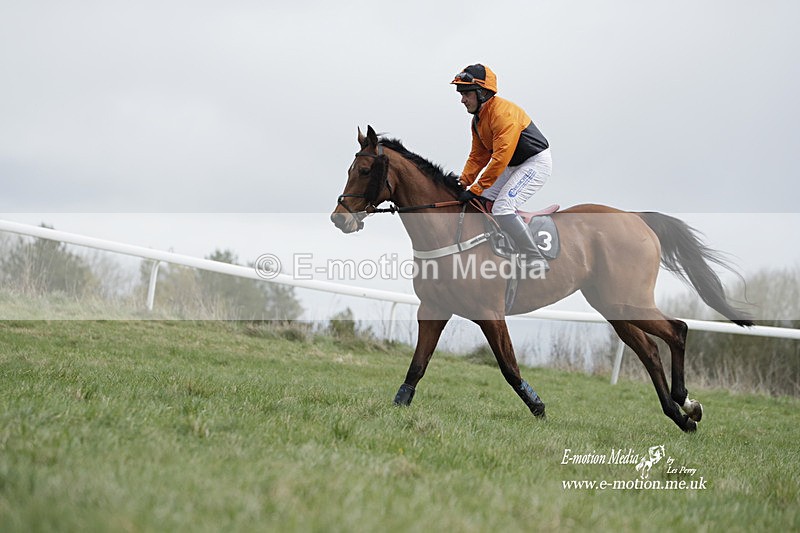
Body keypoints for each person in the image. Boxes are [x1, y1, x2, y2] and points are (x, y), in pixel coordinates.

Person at [452, 63, 552, 271]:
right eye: (461, 94)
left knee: (502, 207)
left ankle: (535, 257)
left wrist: (477, 187)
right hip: (511, 166)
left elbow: (500, 157)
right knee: (480, 202)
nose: (462, 100)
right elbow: (478, 156)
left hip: (534, 163)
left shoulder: (502, 114)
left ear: (482, 92)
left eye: (466, 94)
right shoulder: (478, 120)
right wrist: (463, 182)